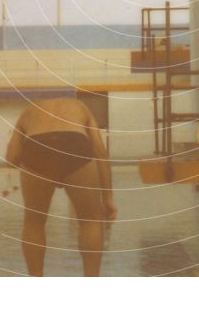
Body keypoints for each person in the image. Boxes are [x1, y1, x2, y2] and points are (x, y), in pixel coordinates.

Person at [6, 96, 117, 276]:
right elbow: (101, 153)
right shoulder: (81, 107)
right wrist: (108, 198)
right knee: (90, 221)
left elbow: (11, 159)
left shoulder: (29, 111)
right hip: (74, 145)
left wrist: (34, 164)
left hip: (37, 147)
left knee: (34, 222)